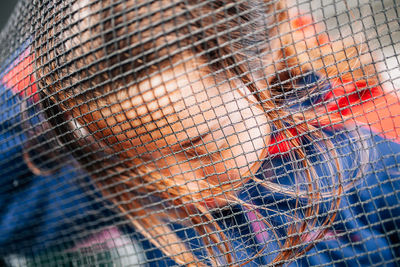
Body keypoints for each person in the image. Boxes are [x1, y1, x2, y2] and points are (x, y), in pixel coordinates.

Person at [1, 0, 399, 266]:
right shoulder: (110, 173)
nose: (176, 189)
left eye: (196, 146)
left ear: (263, 58)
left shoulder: (379, 145)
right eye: (126, 156)